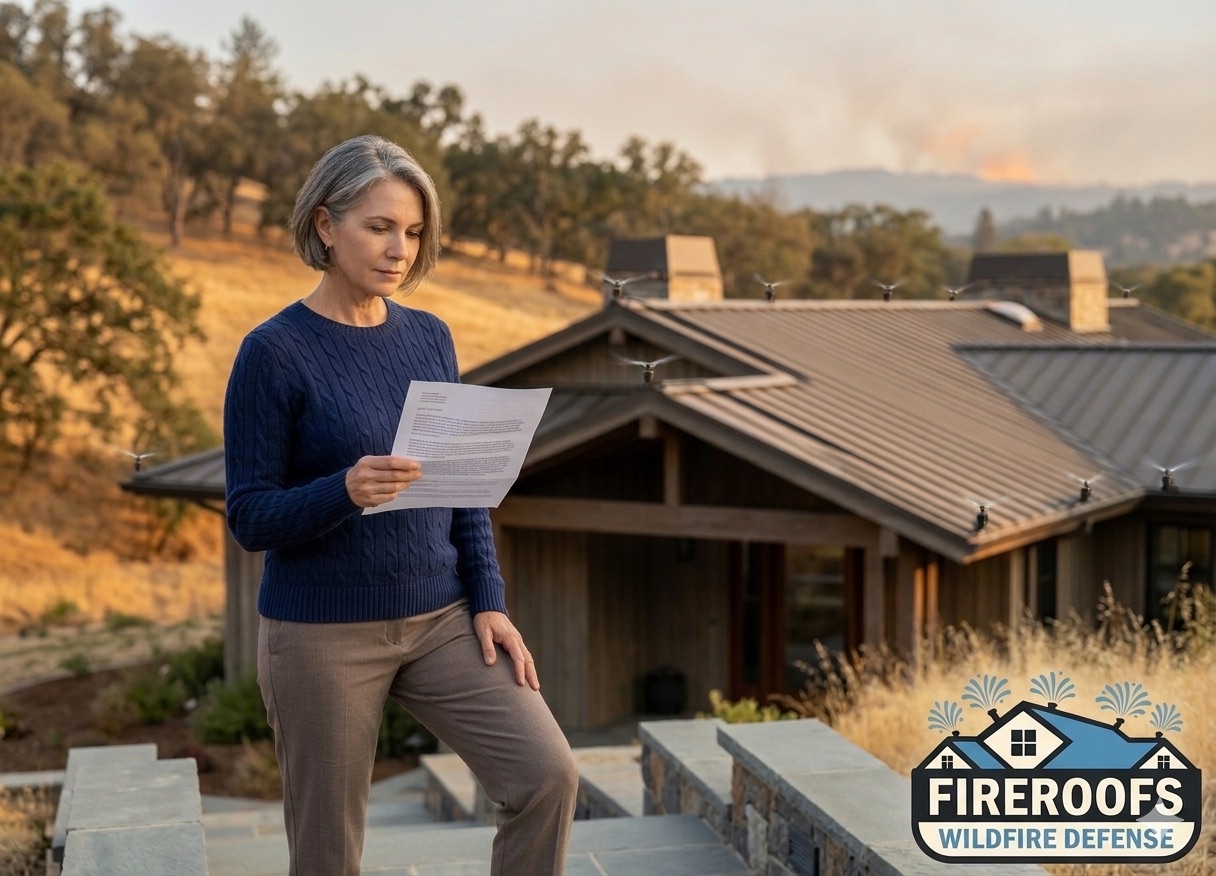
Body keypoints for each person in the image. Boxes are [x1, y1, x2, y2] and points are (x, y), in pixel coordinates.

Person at [223, 134, 579, 876]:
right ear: (326, 226)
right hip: (321, 632)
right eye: (380, 227)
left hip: (442, 618)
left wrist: (489, 600)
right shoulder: (273, 352)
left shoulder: (429, 338)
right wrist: (343, 490)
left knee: (547, 776)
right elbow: (251, 516)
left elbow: (462, 489)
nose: (400, 250)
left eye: (413, 232)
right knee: (327, 855)